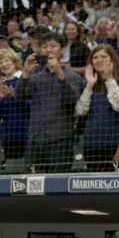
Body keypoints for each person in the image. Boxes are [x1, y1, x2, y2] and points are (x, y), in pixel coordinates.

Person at [16, 30, 83, 173]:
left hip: (60, 140)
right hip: (35, 140)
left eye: (53, 46)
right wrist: (26, 72)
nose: (48, 50)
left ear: (63, 49)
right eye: (45, 47)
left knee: (56, 187)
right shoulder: (35, 77)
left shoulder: (73, 77)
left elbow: (72, 100)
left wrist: (59, 73)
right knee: (30, 185)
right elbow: (19, 97)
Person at [75, 44, 119, 172]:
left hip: (115, 142)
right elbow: (80, 111)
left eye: (103, 56)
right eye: (95, 57)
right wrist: (89, 86)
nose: (99, 60)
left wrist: (109, 78)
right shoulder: (88, 82)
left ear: (112, 59)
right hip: (91, 143)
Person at [0, 48, 30, 162]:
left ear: (14, 61)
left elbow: (33, 107)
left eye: (7, 61)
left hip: (27, 134)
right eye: (1, 62)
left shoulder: (26, 80)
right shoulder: (0, 85)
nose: (4, 65)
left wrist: (15, 96)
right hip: (8, 137)